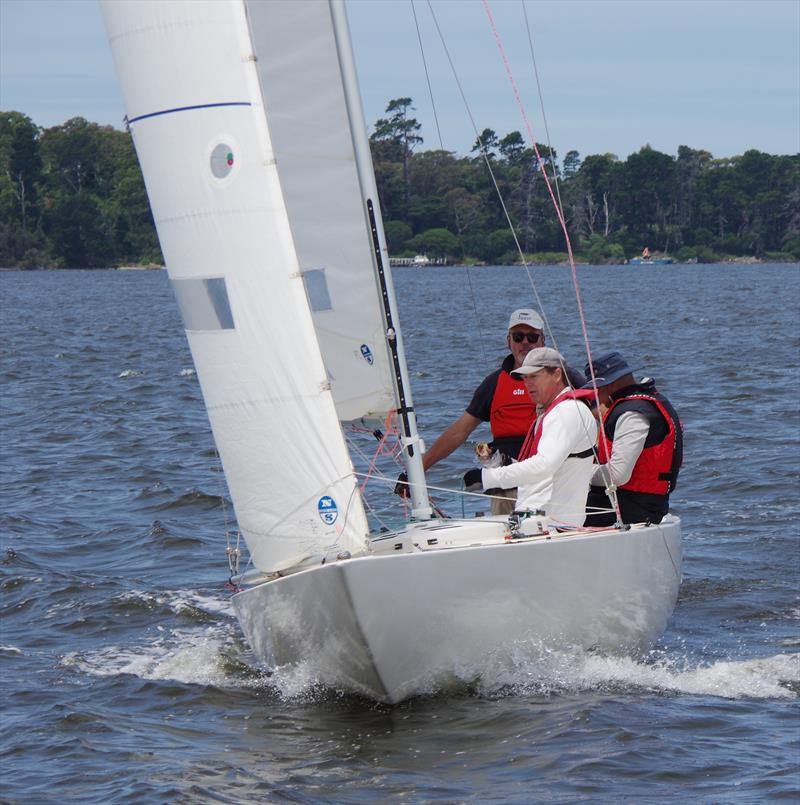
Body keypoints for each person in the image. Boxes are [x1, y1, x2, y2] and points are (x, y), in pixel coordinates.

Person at [398, 309, 582, 515]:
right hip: (504, 488)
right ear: (508, 341)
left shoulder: (564, 377)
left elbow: (595, 416)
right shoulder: (494, 383)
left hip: (550, 486)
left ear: (542, 340)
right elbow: (460, 431)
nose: (525, 343)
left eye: (532, 337)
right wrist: (417, 470)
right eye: (518, 337)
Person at [480, 347, 597, 527]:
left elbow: (544, 466)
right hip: (538, 522)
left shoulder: (567, 412)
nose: (527, 383)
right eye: (524, 378)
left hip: (554, 527)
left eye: (534, 376)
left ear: (557, 374)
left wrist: (490, 478)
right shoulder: (552, 411)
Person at [582, 352, 683, 526]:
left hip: (635, 508)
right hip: (637, 502)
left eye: (596, 388)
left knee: (557, 512)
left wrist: (578, 473)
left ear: (610, 384)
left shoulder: (632, 413)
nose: (595, 394)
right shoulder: (645, 402)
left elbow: (618, 474)